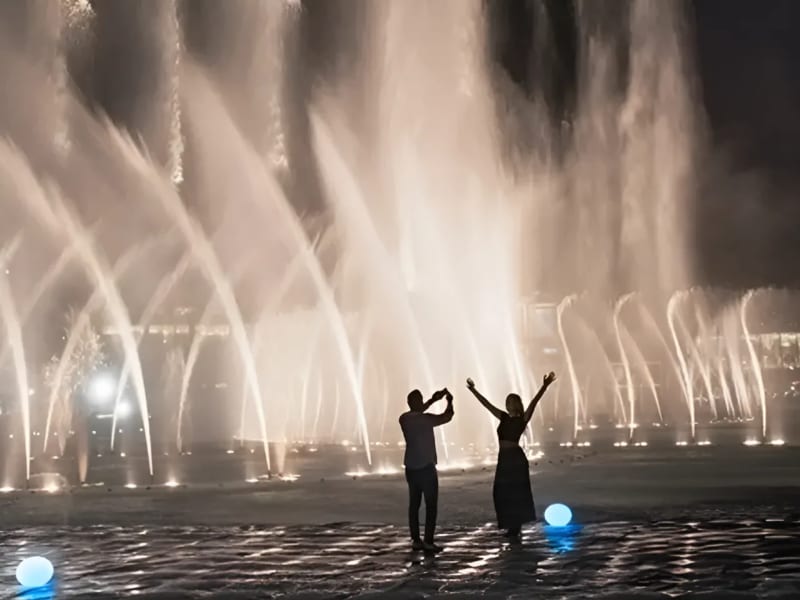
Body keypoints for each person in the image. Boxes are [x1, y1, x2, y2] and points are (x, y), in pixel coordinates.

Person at [466, 372, 556, 539]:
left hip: (515, 458)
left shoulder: (522, 419)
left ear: (516, 404)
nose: (508, 404)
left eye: (511, 401)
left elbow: (535, 402)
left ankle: (515, 526)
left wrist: (545, 386)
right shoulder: (503, 417)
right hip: (504, 458)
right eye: (507, 401)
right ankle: (510, 524)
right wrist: (473, 390)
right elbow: (487, 405)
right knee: (500, 491)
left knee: (516, 491)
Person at [398, 387, 454, 553]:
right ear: (419, 402)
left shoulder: (403, 419)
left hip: (411, 467)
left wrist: (432, 400)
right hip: (426, 468)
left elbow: (417, 411)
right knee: (431, 505)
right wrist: (449, 401)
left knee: (414, 505)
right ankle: (428, 541)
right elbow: (447, 417)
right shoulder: (426, 419)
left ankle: (416, 540)